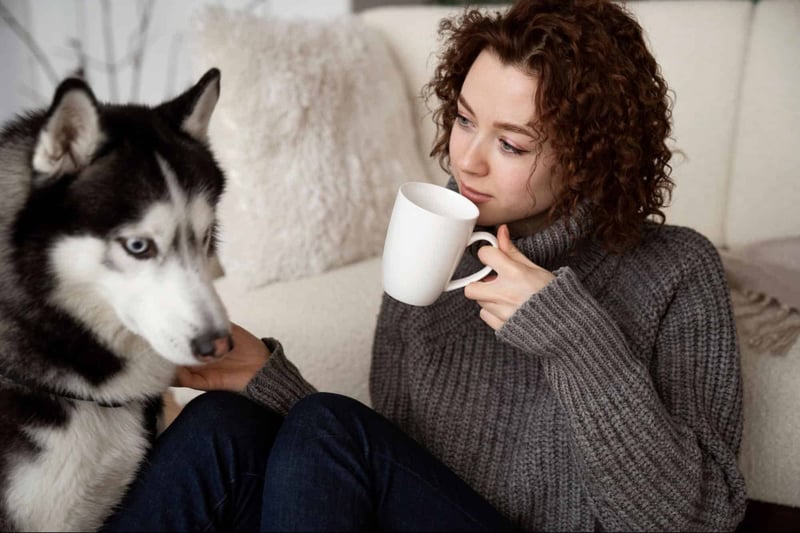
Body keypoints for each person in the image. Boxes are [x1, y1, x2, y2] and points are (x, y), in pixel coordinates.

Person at [103, 0, 747, 531]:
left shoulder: (678, 270)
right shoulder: (439, 238)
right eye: (465, 120)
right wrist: (265, 380)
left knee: (328, 425)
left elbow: (701, 519)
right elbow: (391, 464)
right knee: (222, 425)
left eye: (510, 143)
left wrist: (574, 340)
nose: (467, 159)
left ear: (589, 157)